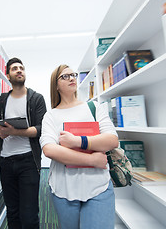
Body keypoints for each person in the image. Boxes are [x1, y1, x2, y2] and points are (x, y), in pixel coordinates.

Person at [39, 64, 119, 229]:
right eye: (65, 76)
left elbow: (112, 140)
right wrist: (91, 159)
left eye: (73, 75)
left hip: (99, 187)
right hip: (63, 189)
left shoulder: (93, 107)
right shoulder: (50, 116)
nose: (72, 78)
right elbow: (49, 149)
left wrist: (78, 141)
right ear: (56, 85)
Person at [0, 57, 47, 229]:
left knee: (29, 213)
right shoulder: (2, 99)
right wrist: (0, 131)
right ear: (8, 76)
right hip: (5, 161)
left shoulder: (36, 98)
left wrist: (14, 132)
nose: (19, 70)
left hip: (28, 161)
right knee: (12, 211)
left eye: (21, 68)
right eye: (14, 68)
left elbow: (40, 129)